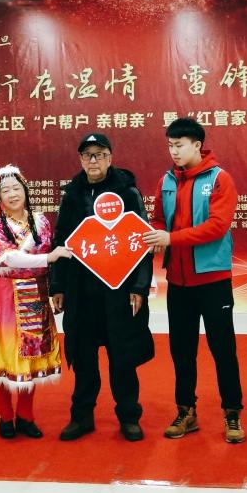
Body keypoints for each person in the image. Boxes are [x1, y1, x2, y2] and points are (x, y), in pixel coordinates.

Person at [143, 118, 245, 444]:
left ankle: (232, 413)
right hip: (178, 282)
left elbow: (217, 226)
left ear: (197, 145)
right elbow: (159, 219)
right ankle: (186, 412)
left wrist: (170, 239)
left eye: (180, 145)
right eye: (170, 145)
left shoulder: (219, 179)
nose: (174, 151)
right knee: (182, 351)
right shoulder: (166, 181)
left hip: (213, 280)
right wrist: (157, 235)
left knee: (223, 349)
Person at [51, 133, 155, 442]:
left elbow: (143, 241)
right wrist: (58, 285)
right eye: (88, 155)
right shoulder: (71, 194)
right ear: (81, 160)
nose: (93, 160)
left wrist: (139, 287)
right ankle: (81, 417)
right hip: (81, 292)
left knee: (122, 357)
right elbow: (60, 240)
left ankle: (129, 416)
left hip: (119, 292)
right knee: (83, 358)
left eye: (99, 154)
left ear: (110, 157)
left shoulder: (128, 192)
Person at [0, 166, 70, 439]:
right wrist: (47, 258)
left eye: (16, 188)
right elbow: (7, 259)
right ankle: (4, 414)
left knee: (33, 351)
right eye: (5, 190)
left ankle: (26, 415)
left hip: (35, 293)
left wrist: (54, 288)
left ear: (26, 191)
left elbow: (48, 257)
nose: (12, 194)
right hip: (6, 296)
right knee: (5, 353)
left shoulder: (41, 221)